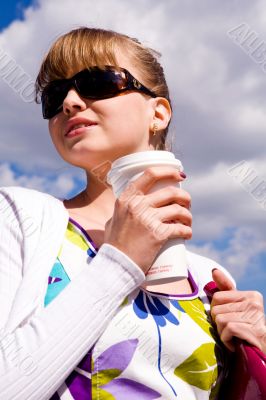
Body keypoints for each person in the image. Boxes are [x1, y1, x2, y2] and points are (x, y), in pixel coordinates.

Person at [0, 27, 265, 400]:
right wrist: (119, 263)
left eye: (97, 81)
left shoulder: (208, 278)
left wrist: (254, 356)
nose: (71, 102)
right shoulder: (20, 218)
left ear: (158, 112)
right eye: (55, 95)